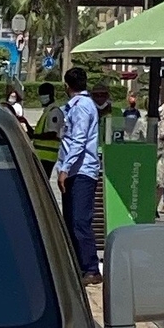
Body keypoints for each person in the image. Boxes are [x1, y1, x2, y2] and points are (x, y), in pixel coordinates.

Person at [55, 64, 103, 284]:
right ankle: (76, 266)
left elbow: (79, 140)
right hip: (74, 170)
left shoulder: (82, 106)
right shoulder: (75, 106)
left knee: (80, 221)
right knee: (71, 219)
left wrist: (65, 168)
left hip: (82, 171)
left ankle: (91, 268)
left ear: (67, 86)